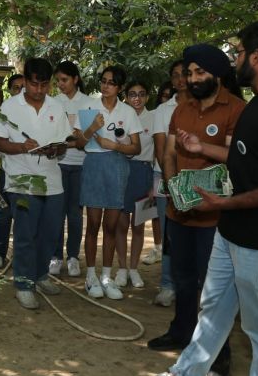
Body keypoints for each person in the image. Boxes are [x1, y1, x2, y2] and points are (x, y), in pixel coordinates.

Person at [138, 18, 258, 376]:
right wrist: (202, 148)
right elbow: (245, 158)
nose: (235, 60)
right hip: (232, 231)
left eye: (240, 52)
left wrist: (225, 203)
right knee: (213, 308)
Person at [146, 44, 245, 376]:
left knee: (213, 288)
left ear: (218, 74)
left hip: (216, 216)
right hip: (180, 211)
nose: (192, 79)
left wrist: (202, 148)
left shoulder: (237, 109)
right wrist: (174, 189)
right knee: (183, 278)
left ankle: (219, 354)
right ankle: (181, 333)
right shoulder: (181, 109)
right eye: (189, 73)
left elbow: (237, 157)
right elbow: (169, 153)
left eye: (200, 72)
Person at [0, 58, 74, 309]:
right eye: (34, 84)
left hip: (52, 180)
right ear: (26, 80)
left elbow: (64, 143)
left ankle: (40, 275)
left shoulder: (56, 107)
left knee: (50, 233)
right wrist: (22, 147)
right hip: (21, 180)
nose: (39, 90)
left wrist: (55, 149)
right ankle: (23, 284)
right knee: (26, 234)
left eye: (44, 85)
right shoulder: (9, 107)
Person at [74, 65, 142, 299]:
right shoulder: (89, 107)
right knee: (93, 224)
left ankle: (106, 276)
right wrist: (93, 127)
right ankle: (90, 276)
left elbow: (136, 148)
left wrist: (113, 145)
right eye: (103, 81)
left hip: (117, 167)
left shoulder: (128, 112)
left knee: (111, 226)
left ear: (119, 87)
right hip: (94, 165)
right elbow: (79, 143)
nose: (105, 86)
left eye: (111, 82)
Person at [144, 61, 187, 310]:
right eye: (176, 75)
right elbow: (161, 150)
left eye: (185, 74)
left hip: (195, 180)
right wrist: (173, 182)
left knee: (194, 234)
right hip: (165, 178)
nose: (181, 79)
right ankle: (168, 285)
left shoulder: (202, 105)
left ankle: (191, 284)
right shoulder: (163, 110)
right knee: (169, 232)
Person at [112, 80, 155, 289]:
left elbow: (159, 152)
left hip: (144, 173)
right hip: (122, 171)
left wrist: (155, 183)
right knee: (121, 224)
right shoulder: (120, 116)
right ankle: (121, 268)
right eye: (132, 94)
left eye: (141, 94)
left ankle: (134, 269)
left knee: (139, 225)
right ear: (126, 97)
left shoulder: (154, 118)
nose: (137, 98)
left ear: (147, 97)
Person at [48, 61, 89, 277]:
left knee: (75, 214)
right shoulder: (53, 103)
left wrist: (72, 140)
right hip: (57, 165)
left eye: (64, 80)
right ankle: (55, 256)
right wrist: (73, 138)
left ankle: (73, 257)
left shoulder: (89, 103)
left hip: (81, 166)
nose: (60, 84)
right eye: (58, 81)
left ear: (76, 79)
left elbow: (85, 140)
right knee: (56, 212)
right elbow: (54, 136)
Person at [0, 73, 24, 268]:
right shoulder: (0, 115)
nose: (20, 91)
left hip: (27, 172)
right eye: (16, 88)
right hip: (5, 170)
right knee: (5, 211)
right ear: (10, 90)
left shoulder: (35, 115)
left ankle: (21, 255)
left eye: (24, 88)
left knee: (24, 212)